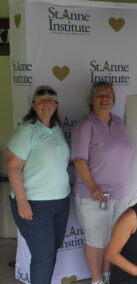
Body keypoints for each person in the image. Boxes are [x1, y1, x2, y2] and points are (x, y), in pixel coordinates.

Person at [71, 81, 134, 284]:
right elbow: (79, 160)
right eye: (99, 95)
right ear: (91, 100)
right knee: (96, 242)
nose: (104, 98)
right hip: (94, 195)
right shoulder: (86, 125)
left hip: (120, 194)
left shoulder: (119, 123)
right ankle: (96, 280)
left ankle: (107, 275)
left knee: (112, 240)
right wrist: (93, 187)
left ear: (114, 100)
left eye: (108, 95)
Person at [6, 86, 70, 284]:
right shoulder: (26, 130)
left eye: (50, 100)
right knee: (43, 256)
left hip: (61, 202)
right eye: (41, 100)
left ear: (56, 105)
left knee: (51, 252)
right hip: (34, 203)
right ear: (34, 105)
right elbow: (13, 166)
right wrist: (22, 202)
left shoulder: (58, 129)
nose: (46, 103)